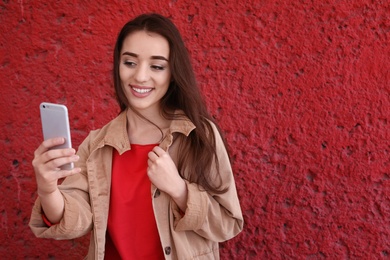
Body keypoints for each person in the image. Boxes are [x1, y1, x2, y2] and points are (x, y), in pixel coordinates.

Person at [29, 13, 243, 259]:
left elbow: (227, 224)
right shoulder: (97, 144)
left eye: (157, 66)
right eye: (130, 62)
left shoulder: (199, 135)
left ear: (173, 73)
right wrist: (47, 190)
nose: (140, 76)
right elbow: (76, 221)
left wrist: (180, 191)